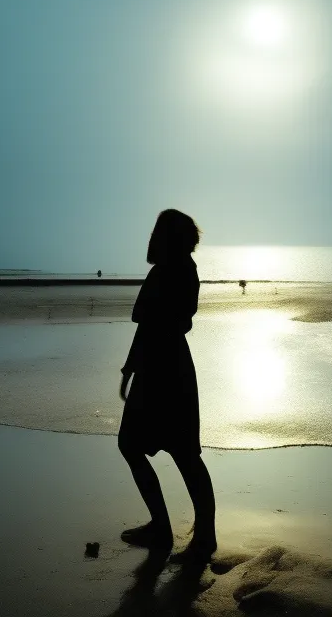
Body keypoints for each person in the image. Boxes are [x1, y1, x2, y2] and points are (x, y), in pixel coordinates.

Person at [118, 209, 216, 561]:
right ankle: (164, 527)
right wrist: (131, 365)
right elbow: (145, 325)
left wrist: (137, 365)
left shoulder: (178, 270)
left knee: (183, 455)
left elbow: (167, 324)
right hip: (159, 367)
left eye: (158, 230)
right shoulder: (169, 269)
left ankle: (201, 536)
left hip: (167, 371)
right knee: (136, 445)